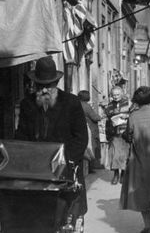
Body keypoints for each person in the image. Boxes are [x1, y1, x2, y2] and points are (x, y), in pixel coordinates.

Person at [16, 56, 88, 219]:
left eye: (48, 86)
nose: (44, 90)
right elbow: (21, 135)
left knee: (63, 210)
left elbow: (81, 138)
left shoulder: (71, 103)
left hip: (65, 166)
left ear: (56, 83)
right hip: (36, 168)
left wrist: (67, 160)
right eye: (40, 86)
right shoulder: (28, 104)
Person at [120, 86, 150, 233]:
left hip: (139, 159)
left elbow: (128, 135)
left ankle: (147, 227)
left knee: (143, 193)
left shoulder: (133, 116)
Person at [104, 86, 130, 185]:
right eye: (114, 95)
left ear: (122, 94)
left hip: (125, 133)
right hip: (114, 133)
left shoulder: (129, 104)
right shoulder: (109, 106)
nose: (115, 97)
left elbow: (133, 115)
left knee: (124, 155)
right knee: (114, 155)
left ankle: (123, 174)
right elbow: (107, 119)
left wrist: (126, 116)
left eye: (117, 94)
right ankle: (115, 174)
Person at [78, 90, 102, 172]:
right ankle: (91, 167)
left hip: (81, 128)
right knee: (91, 147)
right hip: (90, 128)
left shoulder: (78, 104)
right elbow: (95, 117)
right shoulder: (86, 106)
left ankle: (88, 168)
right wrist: (100, 116)